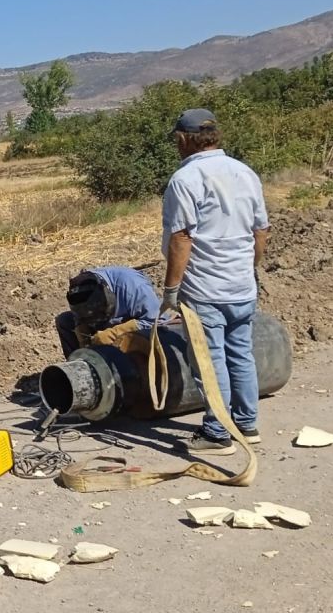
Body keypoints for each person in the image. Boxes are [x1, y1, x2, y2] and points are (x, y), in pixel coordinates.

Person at [161, 107, 270, 455]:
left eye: (177, 140)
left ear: (183, 139)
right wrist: (249, 268)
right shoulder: (245, 172)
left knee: (210, 360)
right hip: (241, 286)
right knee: (241, 353)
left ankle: (217, 433)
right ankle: (246, 424)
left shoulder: (186, 180)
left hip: (205, 288)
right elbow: (261, 231)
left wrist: (170, 291)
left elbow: (181, 238)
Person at [55, 266, 160, 358]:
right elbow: (79, 320)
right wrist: (84, 342)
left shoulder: (134, 287)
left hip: (131, 326)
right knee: (64, 321)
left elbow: (156, 321)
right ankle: (78, 367)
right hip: (105, 325)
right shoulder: (81, 290)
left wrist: (113, 333)